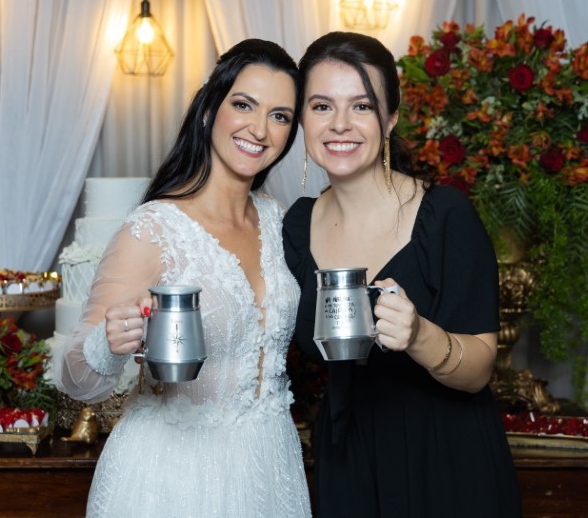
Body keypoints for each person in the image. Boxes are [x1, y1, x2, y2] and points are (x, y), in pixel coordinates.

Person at [52, 38, 312, 518]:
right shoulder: (153, 229)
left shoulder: (280, 222)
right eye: (244, 105)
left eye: (279, 116)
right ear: (210, 110)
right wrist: (108, 342)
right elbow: (76, 380)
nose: (259, 129)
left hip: (269, 468)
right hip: (169, 477)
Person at [282, 32, 522, 517]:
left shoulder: (444, 216)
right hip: (347, 454)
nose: (340, 124)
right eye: (322, 106)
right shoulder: (296, 226)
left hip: (445, 457)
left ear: (390, 117)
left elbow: (480, 369)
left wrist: (418, 336)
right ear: (302, 119)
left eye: (362, 106)